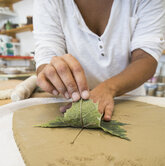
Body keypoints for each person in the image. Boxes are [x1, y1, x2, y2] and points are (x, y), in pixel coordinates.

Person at [33, 0, 165, 121]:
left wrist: (108, 89)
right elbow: (47, 51)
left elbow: (146, 57)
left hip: (130, 101)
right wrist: (51, 71)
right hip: (73, 104)